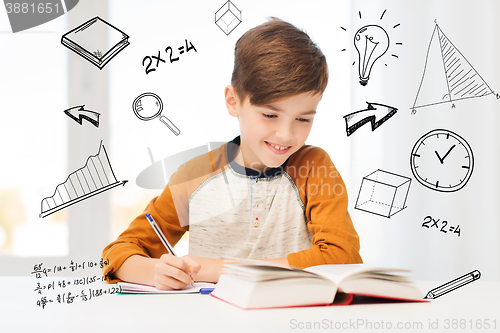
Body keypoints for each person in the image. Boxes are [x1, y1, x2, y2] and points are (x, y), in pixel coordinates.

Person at [102, 18, 362, 290]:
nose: (286, 135)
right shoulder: (194, 176)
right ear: (233, 101)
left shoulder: (314, 167)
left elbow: (342, 258)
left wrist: (220, 269)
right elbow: (117, 253)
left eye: (303, 119)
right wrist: (154, 270)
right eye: (270, 115)